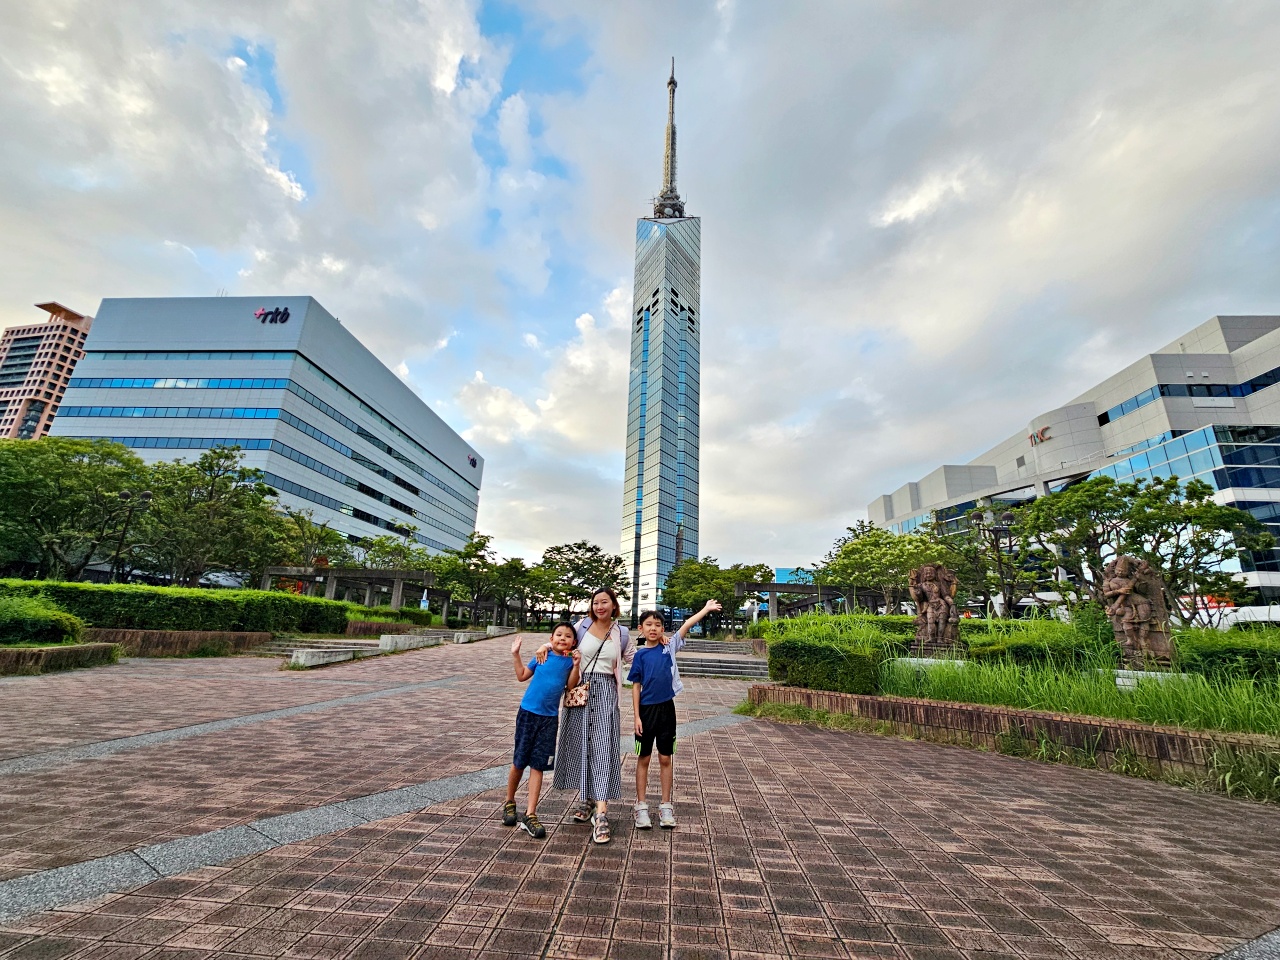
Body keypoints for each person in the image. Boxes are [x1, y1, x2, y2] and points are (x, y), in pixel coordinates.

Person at [540, 587, 634, 845]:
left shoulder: (621, 633)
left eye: (605, 602)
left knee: (603, 747)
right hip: (579, 690)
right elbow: (562, 640)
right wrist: (545, 645)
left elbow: (633, 658)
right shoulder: (581, 626)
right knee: (582, 745)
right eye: (595, 602)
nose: (599, 606)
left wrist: (659, 644)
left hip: (606, 691)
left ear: (614, 605)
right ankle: (589, 799)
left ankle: (602, 812)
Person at [629, 599, 721, 830]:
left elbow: (686, 625)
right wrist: (636, 717)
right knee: (644, 758)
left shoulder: (668, 647)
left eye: (658, 625)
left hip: (666, 710)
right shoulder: (639, 656)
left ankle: (666, 806)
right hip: (646, 712)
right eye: (648, 624)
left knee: (665, 758)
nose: (653, 628)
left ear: (663, 629)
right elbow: (636, 687)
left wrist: (706, 608)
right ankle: (641, 807)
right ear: (641, 628)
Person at [502, 624, 581, 839]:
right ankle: (509, 801)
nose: (562, 638)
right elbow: (521, 676)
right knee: (519, 761)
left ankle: (530, 814)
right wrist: (516, 654)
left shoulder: (569, 661)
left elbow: (571, 686)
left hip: (549, 719)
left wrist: (575, 666)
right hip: (528, 713)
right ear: (551, 638)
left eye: (567, 636)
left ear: (573, 642)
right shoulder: (541, 655)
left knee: (538, 765)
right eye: (558, 635)